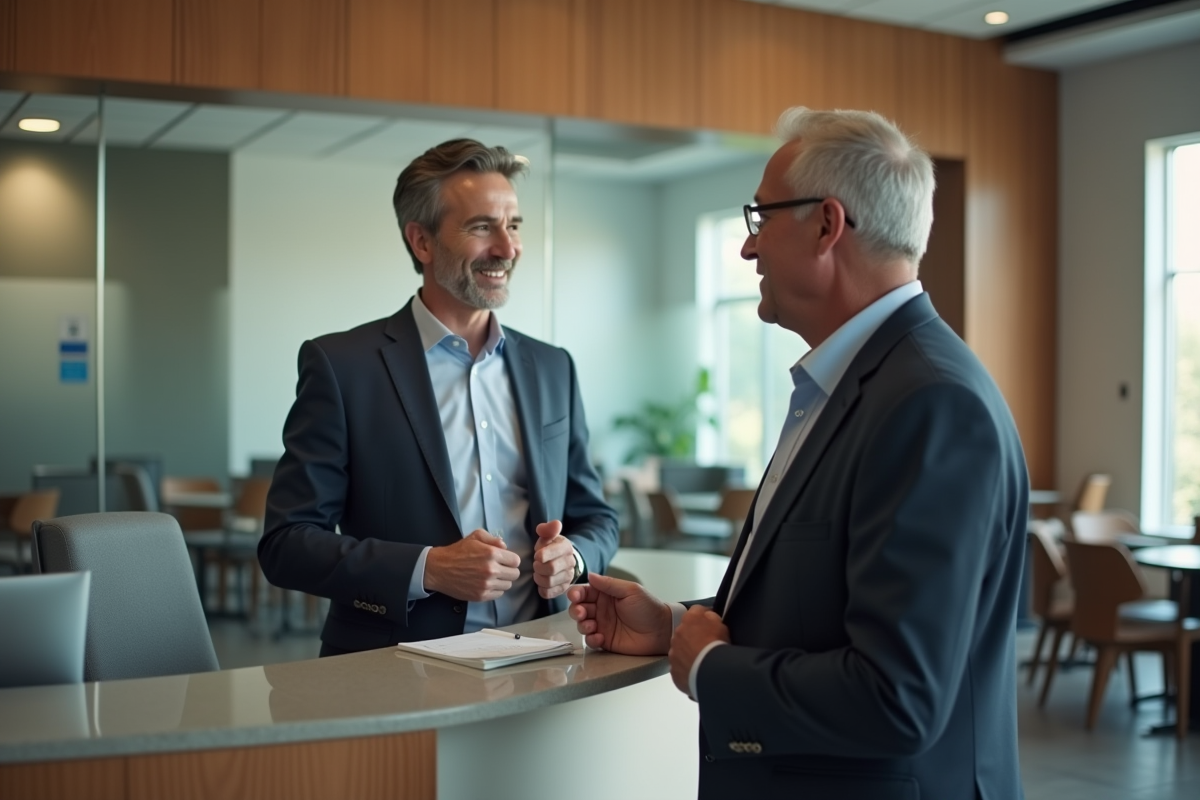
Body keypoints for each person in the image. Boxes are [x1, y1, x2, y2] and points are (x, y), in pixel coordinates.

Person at [568, 108, 1028, 799]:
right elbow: (823, 609)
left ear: (826, 224)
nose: (748, 250)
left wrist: (712, 668)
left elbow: (897, 698)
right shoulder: (854, 383)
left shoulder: (929, 403)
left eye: (760, 219)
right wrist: (672, 627)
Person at [260, 138, 618, 656]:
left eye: (513, 225)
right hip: (394, 669)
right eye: (481, 227)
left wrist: (576, 558)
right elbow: (287, 544)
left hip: (544, 660)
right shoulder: (342, 367)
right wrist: (428, 568)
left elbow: (597, 517)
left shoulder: (552, 367)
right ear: (421, 242)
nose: (507, 248)